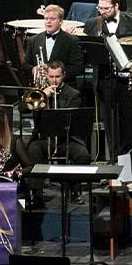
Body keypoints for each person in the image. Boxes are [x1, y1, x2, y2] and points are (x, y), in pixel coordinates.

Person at [83, 0, 132, 159]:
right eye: (100, 8)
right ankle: (114, 161)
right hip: (104, 79)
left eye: (106, 8)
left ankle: (130, 160)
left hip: (127, 80)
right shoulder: (92, 24)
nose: (102, 12)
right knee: (110, 124)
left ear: (116, 6)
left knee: (129, 121)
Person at [25, 61, 91, 203]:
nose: (54, 80)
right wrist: (43, 95)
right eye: (51, 76)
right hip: (44, 138)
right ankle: (36, 194)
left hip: (65, 139)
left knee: (83, 155)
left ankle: (73, 191)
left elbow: (70, 121)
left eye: (58, 76)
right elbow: (22, 109)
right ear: (46, 75)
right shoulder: (39, 91)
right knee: (32, 150)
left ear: (64, 75)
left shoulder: (73, 94)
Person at [23, 5, 85, 85]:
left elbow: (78, 68)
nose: (48, 21)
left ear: (60, 22)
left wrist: (55, 72)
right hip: (41, 88)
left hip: (64, 87)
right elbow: (25, 64)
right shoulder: (33, 40)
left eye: (52, 19)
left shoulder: (72, 41)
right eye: (46, 19)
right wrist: (33, 69)